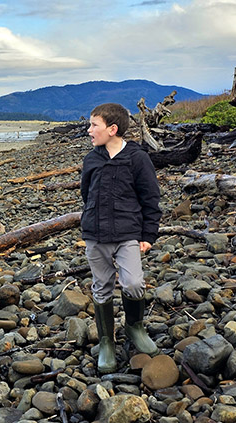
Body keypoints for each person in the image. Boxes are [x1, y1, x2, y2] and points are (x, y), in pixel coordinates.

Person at [80, 103, 162, 374]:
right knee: (101, 287)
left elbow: (150, 197)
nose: (89, 130)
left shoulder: (137, 158)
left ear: (112, 129)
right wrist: (91, 219)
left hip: (128, 234)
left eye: (94, 125)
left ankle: (135, 327)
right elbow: (86, 194)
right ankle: (107, 341)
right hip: (95, 235)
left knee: (134, 283)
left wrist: (148, 234)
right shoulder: (92, 159)